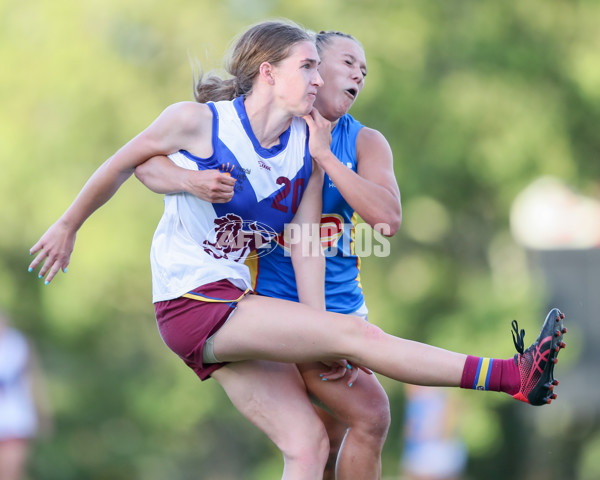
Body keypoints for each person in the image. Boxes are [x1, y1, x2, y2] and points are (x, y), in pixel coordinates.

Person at [27, 19, 567, 480]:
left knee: (307, 445)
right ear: (269, 73)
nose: (321, 78)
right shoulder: (201, 121)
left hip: (228, 306)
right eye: (310, 66)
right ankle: (511, 376)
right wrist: (69, 224)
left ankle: (511, 376)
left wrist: (316, 330)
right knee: (355, 339)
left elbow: (308, 245)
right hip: (194, 300)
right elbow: (128, 163)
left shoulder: (307, 154)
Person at [134, 30, 399, 480]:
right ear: (306, 67)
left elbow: (386, 222)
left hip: (336, 305)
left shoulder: (361, 142)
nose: (359, 75)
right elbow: (143, 160)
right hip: (265, 305)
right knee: (358, 419)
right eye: (347, 63)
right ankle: (500, 374)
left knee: (333, 435)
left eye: (365, 71)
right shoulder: (264, 127)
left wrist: (328, 159)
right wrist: (189, 181)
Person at [0, 311, 51, 480]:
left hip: (14, 419)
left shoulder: (19, 345)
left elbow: (34, 381)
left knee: (12, 470)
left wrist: (43, 413)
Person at [400, 385, 467, 480]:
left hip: (432, 453)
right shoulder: (417, 402)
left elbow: (445, 428)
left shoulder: (435, 400)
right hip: (422, 453)